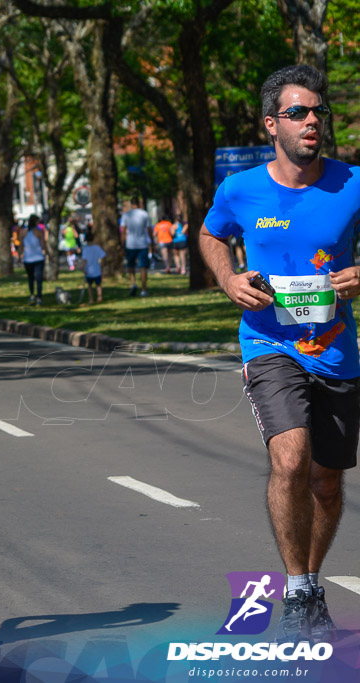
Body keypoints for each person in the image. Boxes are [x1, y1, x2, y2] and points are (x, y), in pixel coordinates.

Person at [199, 64, 360, 645]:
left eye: (319, 111)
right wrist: (228, 280)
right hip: (269, 342)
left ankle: (311, 583)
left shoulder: (352, 182)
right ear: (272, 124)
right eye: (298, 113)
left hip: (336, 351)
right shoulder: (240, 189)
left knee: (327, 481)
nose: (312, 121)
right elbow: (211, 234)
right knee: (291, 460)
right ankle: (295, 591)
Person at [120, 198, 153, 297]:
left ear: (131, 204)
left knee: (131, 266)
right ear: (138, 204)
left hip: (130, 244)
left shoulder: (126, 215)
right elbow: (149, 230)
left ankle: (133, 283)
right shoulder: (144, 214)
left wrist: (122, 245)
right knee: (143, 267)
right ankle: (143, 289)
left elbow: (123, 232)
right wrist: (152, 242)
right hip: (142, 243)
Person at [18, 215, 47, 305]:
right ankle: (39, 298)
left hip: (28, 259)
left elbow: (21, 246)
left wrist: (19, 257)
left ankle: (32, 296)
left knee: (30, 278)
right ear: (36, 222)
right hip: (38, 258)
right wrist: (48, 253)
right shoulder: (39, 232)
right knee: (39, 279)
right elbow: (43, 245)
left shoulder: (23, 232)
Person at [80, 231, 106, 304]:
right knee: (98, 285)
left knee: (90, 286)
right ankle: (99, 296)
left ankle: (91, 299)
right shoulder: (97, 248)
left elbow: (84, 260)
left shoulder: (85, 249)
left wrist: (83, 268)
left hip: (89, 271)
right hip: (97, 270)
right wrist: (101, 265)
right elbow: (102, 256)